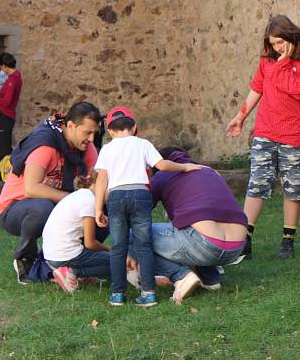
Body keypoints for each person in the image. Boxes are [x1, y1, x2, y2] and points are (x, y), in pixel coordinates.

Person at [225, 15, 300, 259]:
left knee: (292, 186)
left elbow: (299, 89)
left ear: (291, 36)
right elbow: (257, 87)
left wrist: (285, 62)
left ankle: (287, 240)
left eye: (280, 42)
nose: (277, 48)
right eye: (273, 44)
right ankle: (244, 240)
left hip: (296, 132)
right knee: (257, 182)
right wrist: (241, 116)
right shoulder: (267, 61)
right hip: (266, 130)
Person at [94, 106, 202, 307]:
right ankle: (149, 293)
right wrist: (185, 167)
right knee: (144, 245)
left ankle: (117, 294)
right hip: (141, 195)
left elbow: (102, 179)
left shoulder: (107, 149)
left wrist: (98, 208)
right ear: (134, 127)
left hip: (116, 197)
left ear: (109, 131)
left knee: (118, 247)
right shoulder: (143, 144)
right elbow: (161, 165)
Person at [0, 102, 101, 284]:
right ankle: (25, 261)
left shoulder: (86, 148)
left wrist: (93, 194)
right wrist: (72, 199)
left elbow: (98, 181)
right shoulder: (45, 147)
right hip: (16, 208)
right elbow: (31, 188)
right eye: (87, 132)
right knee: (43, 207)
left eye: (94, 133)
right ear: (70, 126)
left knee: (98, 208)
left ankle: (72, 265)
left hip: (54, 205)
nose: (91, 139)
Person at [143, 147, 248, 304]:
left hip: (205, 245)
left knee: (135, 235)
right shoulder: (209, 172)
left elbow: (140, 212)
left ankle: (181, 276)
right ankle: (210, 279)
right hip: (237, 247)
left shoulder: (162, 175)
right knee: (194, 223)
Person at [42, 171, 111, 293]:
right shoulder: (90, 201)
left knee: (108, 257)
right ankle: (73, 273)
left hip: (51, 254)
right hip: (64, 255)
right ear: (102, 185)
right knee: (117, 261)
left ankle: (80, 274)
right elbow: (90, 243)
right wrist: (110, 250)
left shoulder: (81, 195)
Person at [0, 52, 22, 178]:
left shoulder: (13, 80)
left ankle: (6, 176)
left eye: (1, 67)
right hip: (3, 115)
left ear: (4, 66)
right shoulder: (12, 78)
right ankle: (1, 173)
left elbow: (7, 101)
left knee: (4, 148)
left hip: (5, 116)